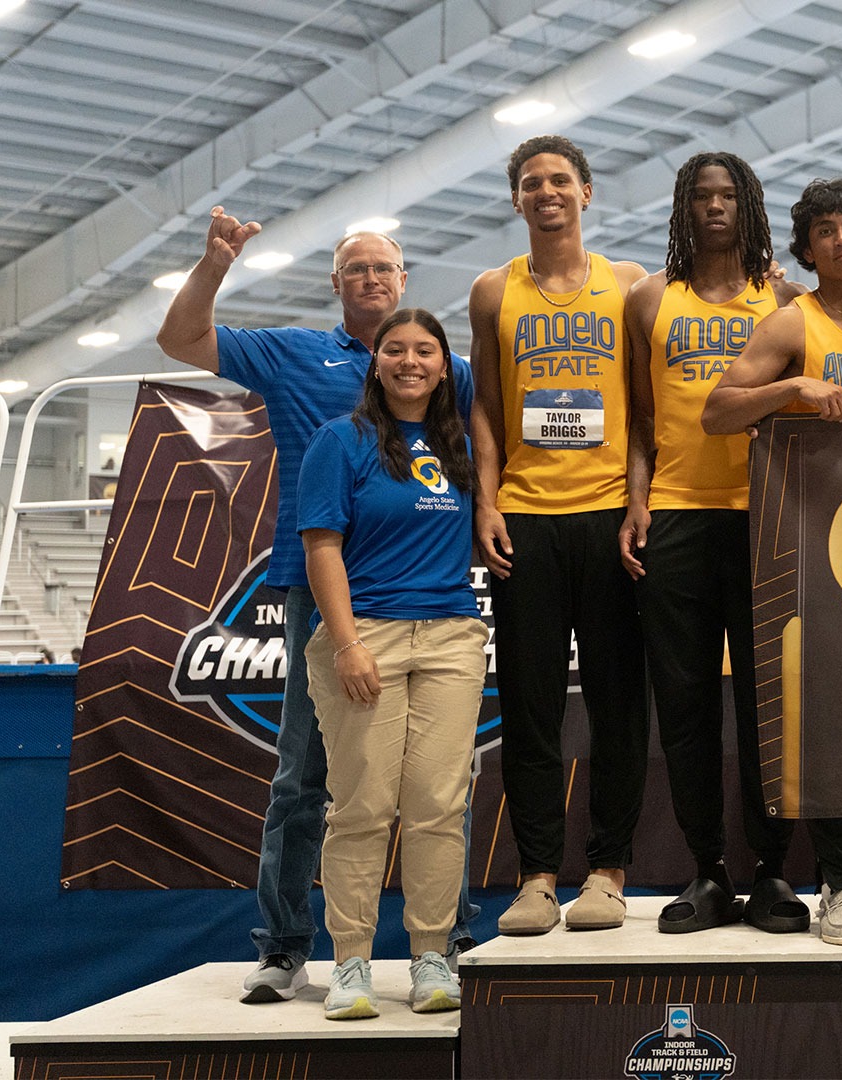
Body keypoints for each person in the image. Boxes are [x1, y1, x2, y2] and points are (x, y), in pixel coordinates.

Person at [155, 211, 478, 1003]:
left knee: (437, 787)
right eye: (356, 269)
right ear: (336, 284)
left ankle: (446, 942)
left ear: (404, 282)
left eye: (384, 268)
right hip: (323, 592)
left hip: (430, 604)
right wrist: (214, 265)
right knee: (307, 776)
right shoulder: (294, 353)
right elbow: (179, 339)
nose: (371, 278)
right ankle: (286, 945)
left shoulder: (447, 368)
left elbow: (484, 444)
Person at [705, 177, 842, 945]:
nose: (841, 240)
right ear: (805, 248)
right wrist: (794, 383)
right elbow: (717, 410)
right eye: (824, 230)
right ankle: (833, 884)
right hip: (818, 541)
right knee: (833, 715)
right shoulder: (793, 322)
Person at [617, 152, 808, 935]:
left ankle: (770, 873)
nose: (716, 207)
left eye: (730, 196)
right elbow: (637, 415)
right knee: (686, 705)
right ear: (683, 208)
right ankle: (705, 872)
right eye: (703, 197)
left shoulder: (786, 297)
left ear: (750, 206)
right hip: (678, 514)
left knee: (770, 707)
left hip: (766, 517)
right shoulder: (647, 299)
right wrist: (636, 502)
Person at [469, 135, 649, 935]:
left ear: (587, 192)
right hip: (527, 521)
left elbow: (646, 406)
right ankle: (537, 876)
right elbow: (481, 405)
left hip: (610, 517)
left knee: (616, 705)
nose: (548, 193)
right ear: (516, 199)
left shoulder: (630, 285)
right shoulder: (490, 291)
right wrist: (487, 499)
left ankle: (609, 871)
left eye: (561, 181)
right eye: (532, 183)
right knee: (532, 709)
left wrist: (639, 500)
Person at [299, 308, 487, 1019]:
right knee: (363, 807)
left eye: (426, 351)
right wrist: (346, 645)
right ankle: (350, 964)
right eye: (396, 350)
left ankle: (431, 957)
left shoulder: (459, 444)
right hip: (365, 635)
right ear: (375, 362)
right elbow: (323, 549)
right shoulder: (339, 442)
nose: (411, 362)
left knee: (439, 805)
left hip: (449, 637)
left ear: (445, 366)